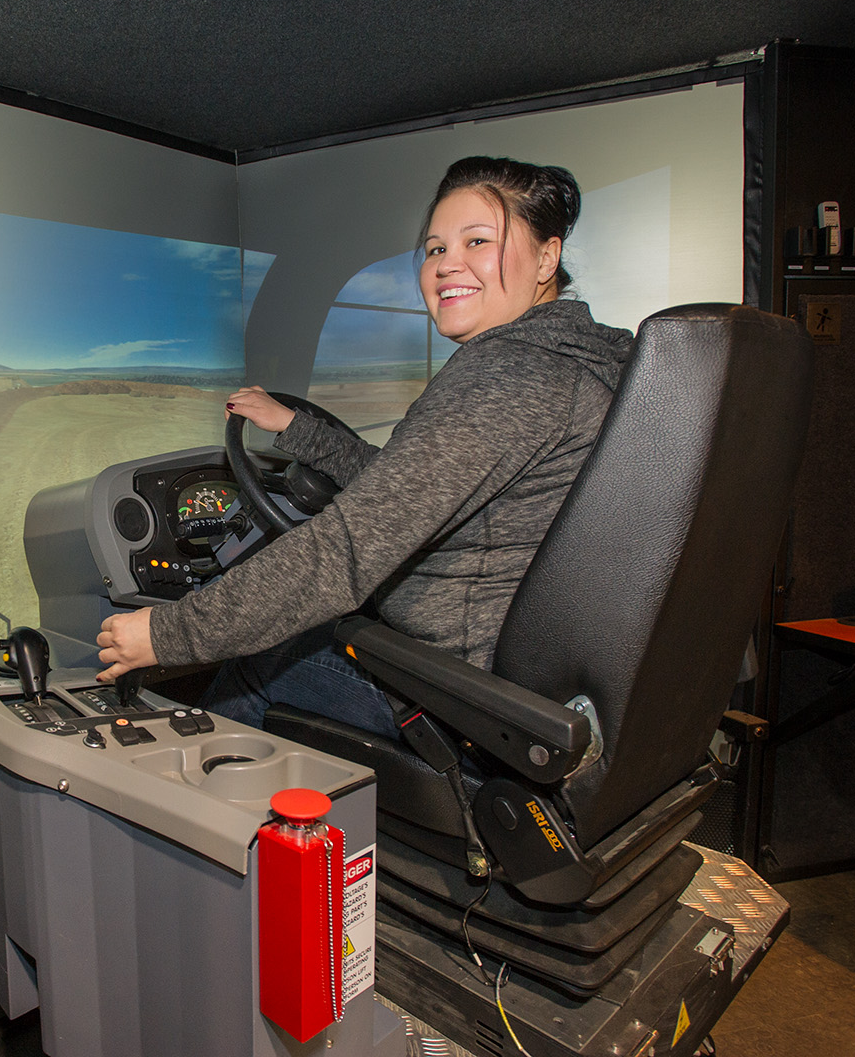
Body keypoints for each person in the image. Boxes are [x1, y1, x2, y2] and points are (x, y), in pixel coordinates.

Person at [95, 156, 635, 736]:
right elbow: (406, 483)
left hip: (456, 694)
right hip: (533, 676)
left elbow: (345, 549)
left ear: (546, 258)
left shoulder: (506, 376)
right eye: (434, 249)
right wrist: (294, 429)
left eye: (477, 241)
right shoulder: (588, 363)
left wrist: (167, 633)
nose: (448, 265)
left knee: (253, 667)